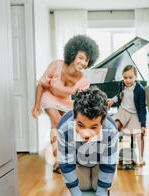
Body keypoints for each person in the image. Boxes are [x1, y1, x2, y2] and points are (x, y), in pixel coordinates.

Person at [32, 35, 99, 173]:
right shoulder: (56, 65)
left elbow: (82, 101)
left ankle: (71, 157)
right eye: (80, 57)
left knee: (69, 127)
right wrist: (36, 105)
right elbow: (40, 84)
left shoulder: (84, 80)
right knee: (56, 122)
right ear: (72, 54)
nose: (83, 62)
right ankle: (58, 162)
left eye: (86, 60)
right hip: (49, 96)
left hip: (66, 101)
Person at [57, 87, 119, 196]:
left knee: (98, 187)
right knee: (84, 187)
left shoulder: (111, 130)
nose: (86, 134)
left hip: (99, 162)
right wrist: (75, 193)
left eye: (93, 127)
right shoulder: (64, 129)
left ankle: (101, 187)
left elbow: (108, 163)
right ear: (74, 115)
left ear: (104, 119)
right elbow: (66, 163)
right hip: (79, 162)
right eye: (80, 125)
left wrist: (102, 191)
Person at [107, 65, 147, 166]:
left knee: (139, 134)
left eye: (130, 77)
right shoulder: (121, 84)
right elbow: (119, 95)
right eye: (125, 78)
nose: (127, 80)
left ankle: (141, 158)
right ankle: (109, 154)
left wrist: (143, 125)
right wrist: (112, 100)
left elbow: (142, 108)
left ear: (136, 77)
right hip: (123, 111)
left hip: (134, 114)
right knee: (114, 127)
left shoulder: (140, 90)